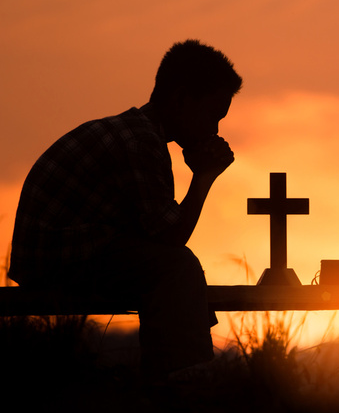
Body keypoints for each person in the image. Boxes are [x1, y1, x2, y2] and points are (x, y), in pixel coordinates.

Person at [9, 39, 242, 382]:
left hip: (68, 252)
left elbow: (152, 232)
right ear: (180, 99)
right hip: (57, 258)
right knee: (177, 268)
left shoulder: (136, 134)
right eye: (212, 115)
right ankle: (180, 377)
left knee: (173, 267)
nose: (215, 129)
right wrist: (204, 177)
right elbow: (170, 238)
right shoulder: (140, 141)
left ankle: (174, 373)